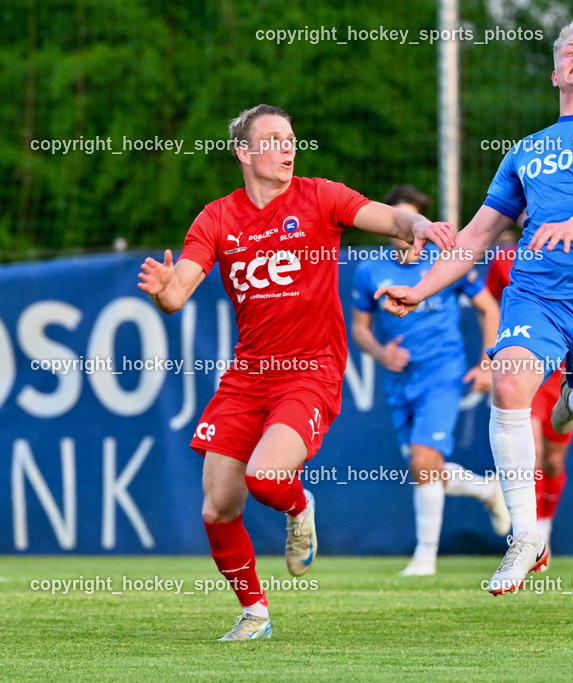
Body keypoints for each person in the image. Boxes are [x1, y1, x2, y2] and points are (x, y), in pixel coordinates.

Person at [137, 105, 455, 639]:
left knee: (266, 478)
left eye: (291, 138)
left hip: (310, 370)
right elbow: (176, 296)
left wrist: (419, 224)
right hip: (248, 375)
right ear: (244, 153)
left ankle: (300, 504)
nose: (287, 148)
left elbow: (390, 218)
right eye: (273, 139)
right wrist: (163, 289)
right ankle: (255, 614)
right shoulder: (216, 218)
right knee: (217, 508)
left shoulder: (320, 197)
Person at [376, 17, 573, 594]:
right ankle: (526, 537)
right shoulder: (526, 151)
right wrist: (422, 289)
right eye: (570, 51)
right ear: (554, 73)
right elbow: (477, 236)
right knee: (508, 384)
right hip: (537, 293)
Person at [350, 184, 509, 577]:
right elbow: (360, 328)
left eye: (411, 220)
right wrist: (381, 353)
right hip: (399, 381)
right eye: (397, 221)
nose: (404, 230)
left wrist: (487, 365)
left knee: (423, 462)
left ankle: (425, 558)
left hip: (442, 374)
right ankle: (487, 489)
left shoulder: (446, 262)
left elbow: (489, 309)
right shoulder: (369, 270)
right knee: (426, 468)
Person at [486, 225, 573, 550]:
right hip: (526, 363)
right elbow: (490, 307)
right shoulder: (504, 259)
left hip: (563, 367)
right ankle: (529, 539)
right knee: (532, 454)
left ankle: (544, 527)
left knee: (553, 461)